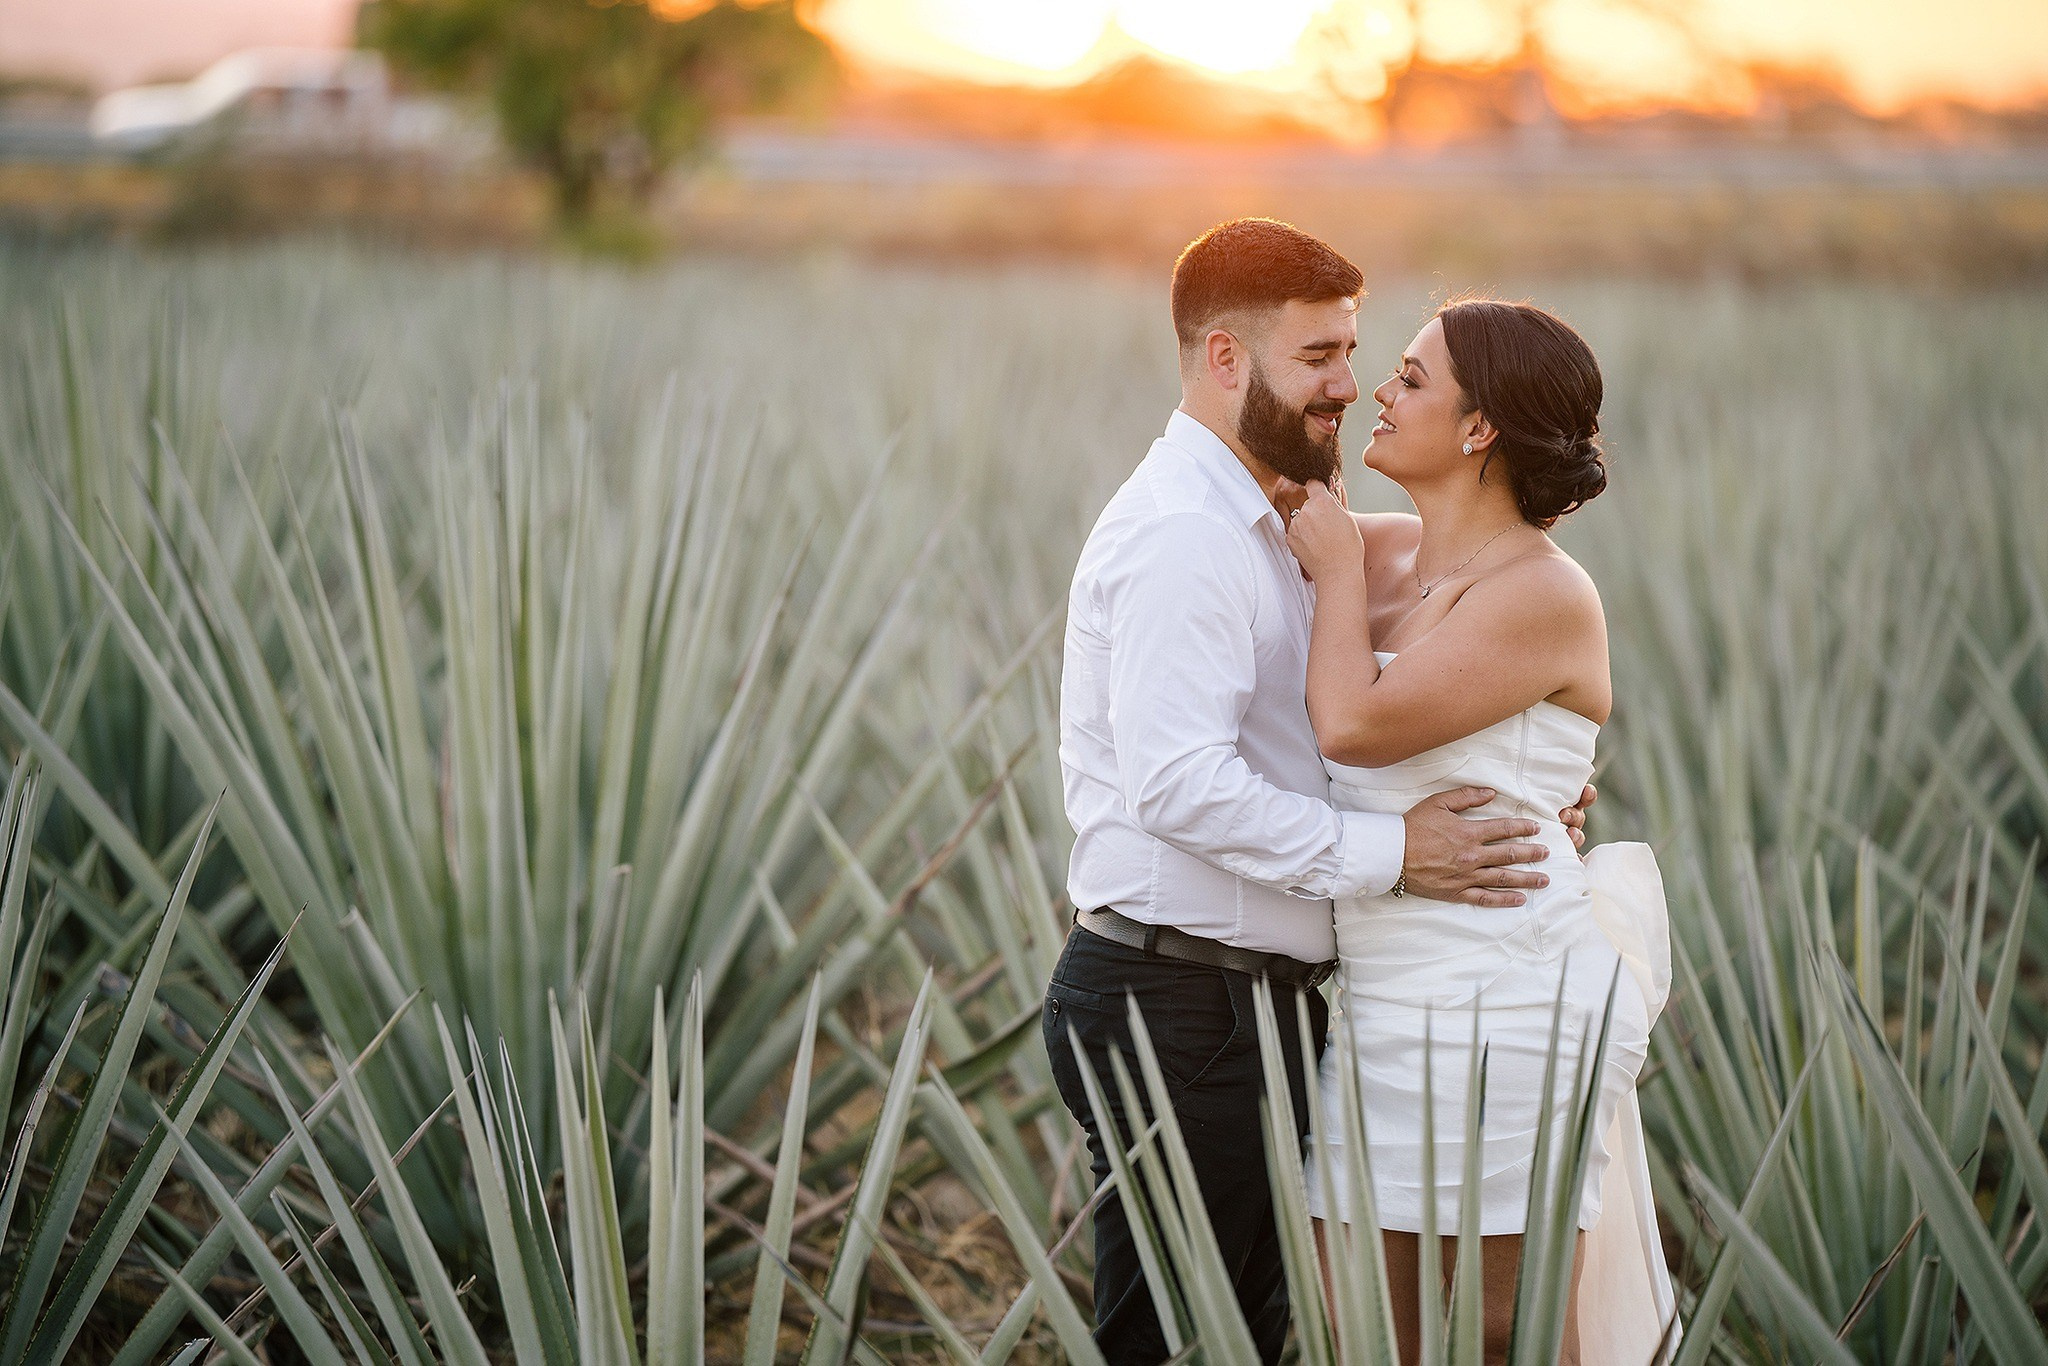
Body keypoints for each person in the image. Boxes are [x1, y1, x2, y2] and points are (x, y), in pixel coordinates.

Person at [1042, 219, 1597, 1366]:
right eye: (1323, 358)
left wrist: (1531, 794)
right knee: (1185, 1342)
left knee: (1279, 1336)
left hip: (1314, 1005)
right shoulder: (1193, 534)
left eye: (1368, 356)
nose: (1351, 386)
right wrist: (1400, 851)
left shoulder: (1295, 523)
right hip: (1179, 992)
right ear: (1225, 360)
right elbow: (1185, 787)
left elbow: (1387, 718)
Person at [1283, 298, 1677, 1365]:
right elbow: (1253, 508)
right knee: (1360, 1330)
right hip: (1378, 998)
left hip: (1507, 995)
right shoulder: (1390, 552)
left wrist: (1329, 575)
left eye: (1409, 377)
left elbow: (1354, 724)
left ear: (1477, 428)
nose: (1380, 388)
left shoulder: (1545, 591)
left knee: (1503, 1333)